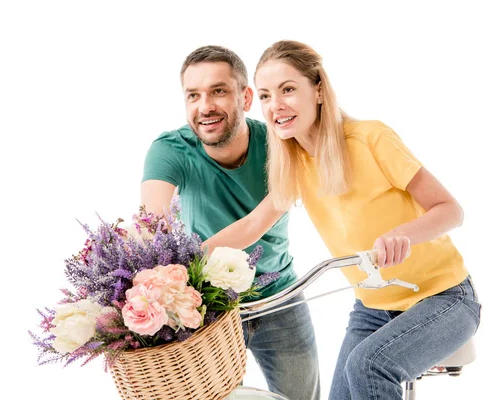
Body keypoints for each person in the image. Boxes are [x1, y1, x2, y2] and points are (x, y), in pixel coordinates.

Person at [204, 40, 482, 400]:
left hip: (445, 299)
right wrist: (179, 261)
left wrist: (402, 235)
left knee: (367, 365)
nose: (277, 105)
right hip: (374, 305)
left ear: (318, 90)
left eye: (288, 89)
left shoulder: (369, 139)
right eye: (268, 96)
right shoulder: (295, 164)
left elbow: (450, 209)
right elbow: (252, 226)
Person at [140, 45, 320, 400]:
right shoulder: (171, 150)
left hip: (280, 298)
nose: (204, 106)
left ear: (247, 97)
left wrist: (182, 266)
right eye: (194, 95)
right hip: (208, 307)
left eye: (218, 91)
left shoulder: (283, 145)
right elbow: (151, 232)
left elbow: (256, 224)